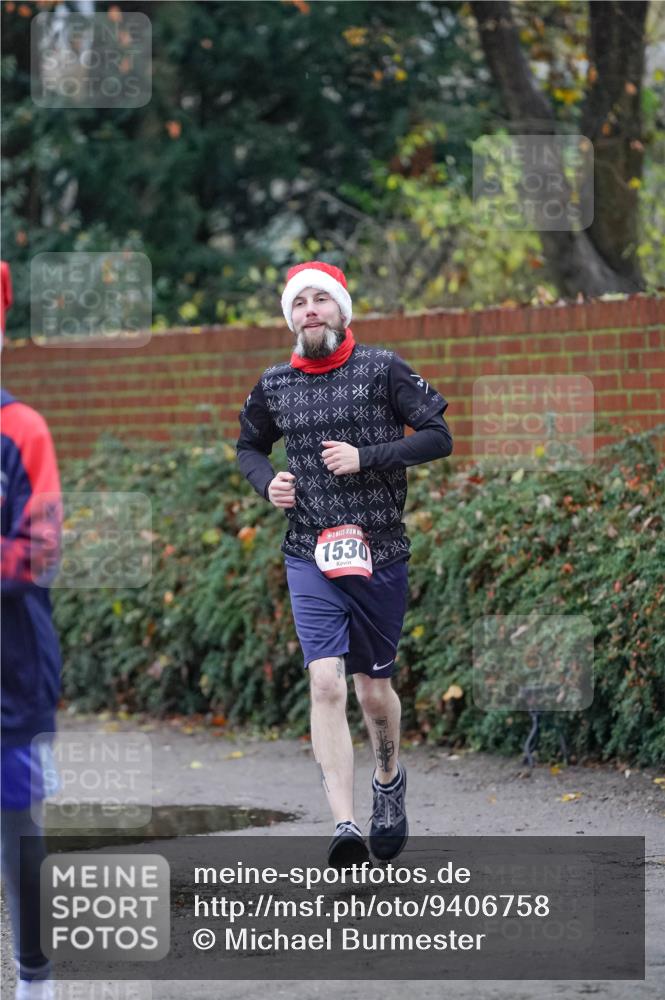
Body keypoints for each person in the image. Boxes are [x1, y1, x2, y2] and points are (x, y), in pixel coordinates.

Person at [236, 260, 452, 868]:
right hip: (309, 551)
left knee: (374, 691)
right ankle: (345, 823)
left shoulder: (383, 369)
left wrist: (368, 457)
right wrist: (267, 482)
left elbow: (439, 435)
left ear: (341, 311)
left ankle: (388, 780)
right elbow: (248, 446)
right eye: (299, 302)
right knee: (326, 680)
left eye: (320, 301)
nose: (310, 310)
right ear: (290, 318)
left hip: (380, 552)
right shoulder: (274, 383)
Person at [1, 279, 63, 999]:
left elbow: (39, 551)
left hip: (10, 668)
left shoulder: (24, 430)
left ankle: (35, 982)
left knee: (15, 829)